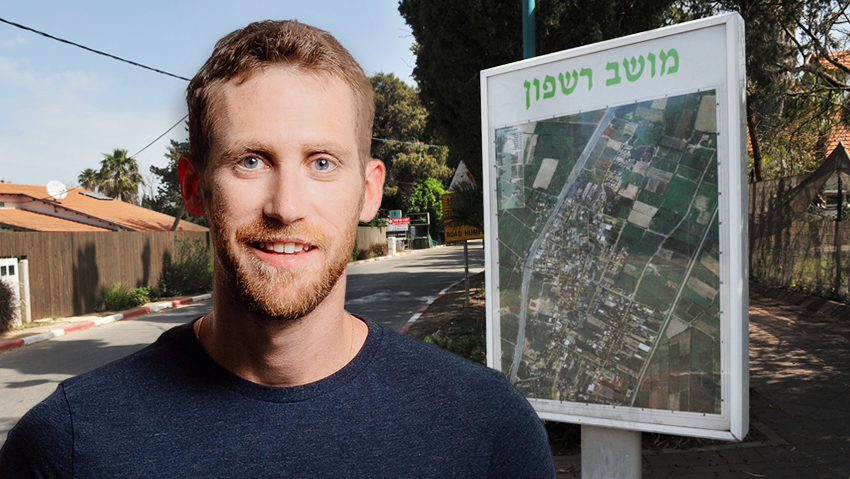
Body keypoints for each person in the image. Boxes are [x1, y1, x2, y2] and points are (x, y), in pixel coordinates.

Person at [0, 20, 556, 478]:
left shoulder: (485, 429)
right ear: (194, 187)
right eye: (251, 160)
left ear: (369, 190)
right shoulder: (67, 446)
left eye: (322, 162)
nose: (285, 206)